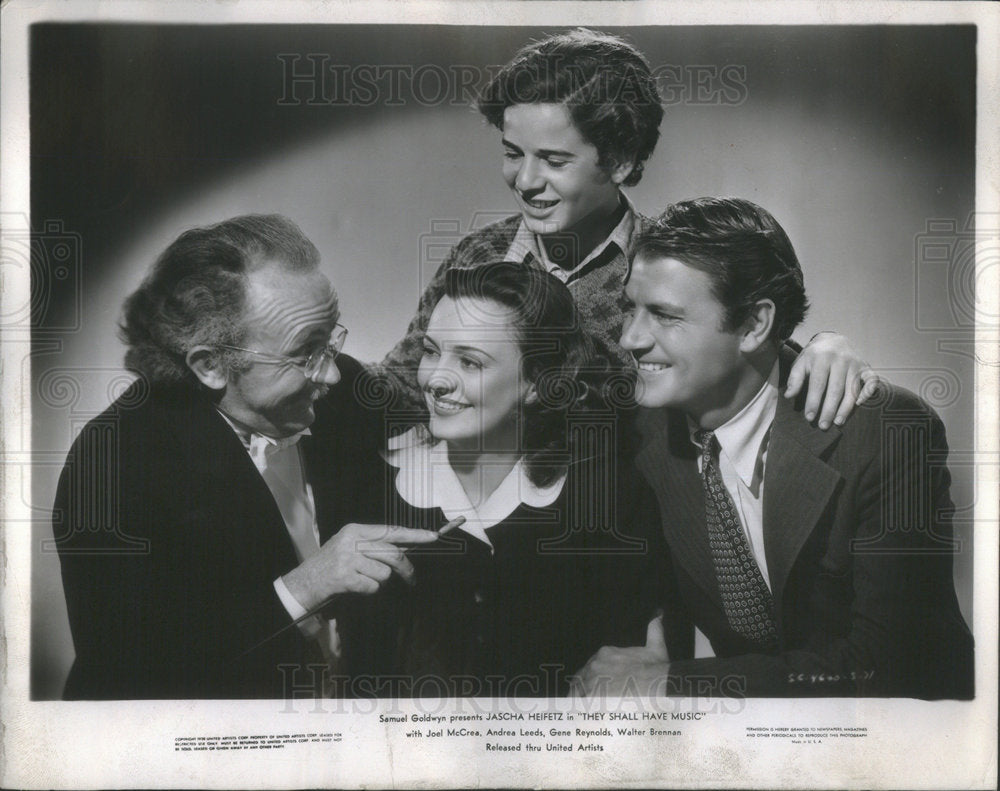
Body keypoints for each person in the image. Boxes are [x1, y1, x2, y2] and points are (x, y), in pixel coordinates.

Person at [573, 197, 974, 699]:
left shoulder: (886, 431)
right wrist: (658, 650)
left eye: (664, 315)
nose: (630, 337)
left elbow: (890, 665)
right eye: (629, 308)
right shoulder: (637, 430)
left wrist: (673, 683)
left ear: (755, 325)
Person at [382, 28, 875, 429]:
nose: (525, 181)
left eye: (554, 161)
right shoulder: (478, 253)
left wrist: (827, 347)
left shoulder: (668, 265)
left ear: (620, 161)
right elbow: (401, 389)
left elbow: (750, 351)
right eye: (513, 154)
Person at [52, 214, 438, 699]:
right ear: (210, 365)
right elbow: (128, 676)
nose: (334, 375)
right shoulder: (112, 463)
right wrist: (302, 589)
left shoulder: (339, 389)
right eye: (304, 352)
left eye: (329, 341)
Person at [340, 262, 660, 697]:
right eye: (432, 351)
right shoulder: (371, 491)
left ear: (536, 384)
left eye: (470, 362)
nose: (435, 379)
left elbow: (628, 673)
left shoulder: (608, 498)